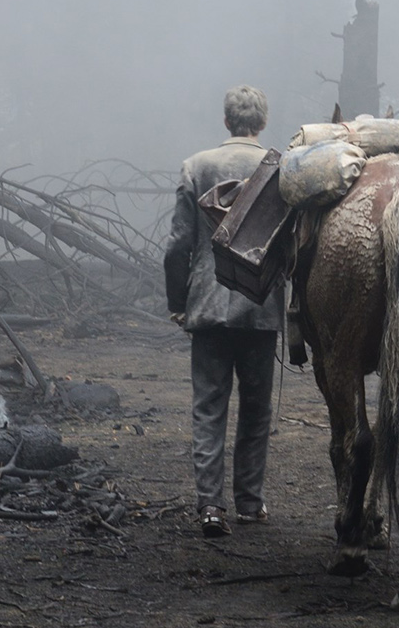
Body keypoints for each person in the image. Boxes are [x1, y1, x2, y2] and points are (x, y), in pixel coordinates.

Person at [164, 84, 285, 537]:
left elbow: (178, 246)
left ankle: (210, 507)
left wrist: (179, 302)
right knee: (256, 410)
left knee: (209, 408)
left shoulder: (196, 167)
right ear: (263, 123)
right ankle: (250, 504)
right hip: (260, 305)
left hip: (208, 306)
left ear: (226, 121)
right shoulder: (281, 168)